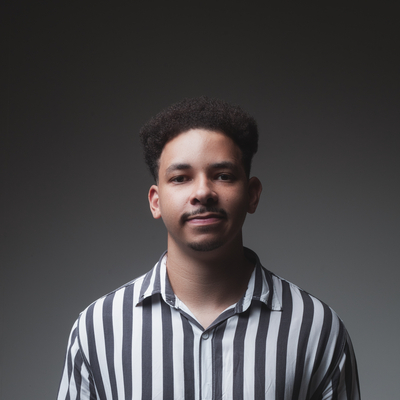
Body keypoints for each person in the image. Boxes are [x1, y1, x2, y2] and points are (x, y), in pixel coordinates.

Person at [57, 97, 361, 399]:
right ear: (156, 201)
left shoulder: (316, 328)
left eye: (223, 176)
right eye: (180, 178)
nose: (202, 192)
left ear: (252, 194)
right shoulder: (98, 329)